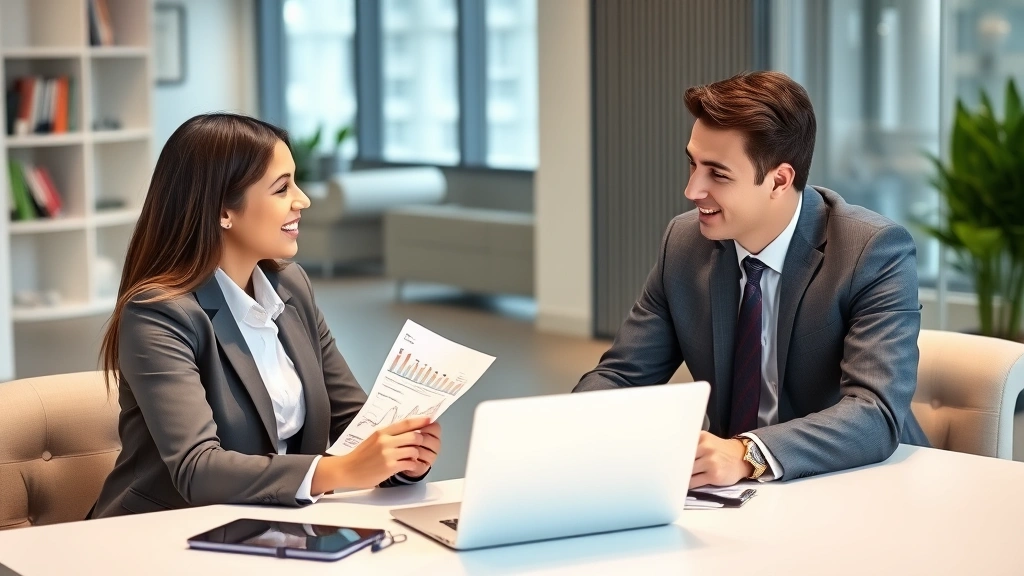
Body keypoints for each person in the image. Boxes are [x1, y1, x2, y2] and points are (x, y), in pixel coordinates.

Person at [574, 71, 929, 488]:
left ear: (779, 180)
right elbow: (623, 376)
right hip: (734, 496)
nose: (692, 189)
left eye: (717, 174)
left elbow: (875, 412)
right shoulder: (684, 243)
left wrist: (747, 453)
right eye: (692, 164)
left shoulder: (872, 250)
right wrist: (568, 431)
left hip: (857, 484)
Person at [91, 113, 440, 518]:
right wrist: (340, 470)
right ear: (224, 210)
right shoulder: (158, 314)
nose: (302, 200)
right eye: (282, 188)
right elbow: (197, 469)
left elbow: (353, 423)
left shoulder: (291, 287)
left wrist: (401, 458)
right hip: (162, 533)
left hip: (275, 523)